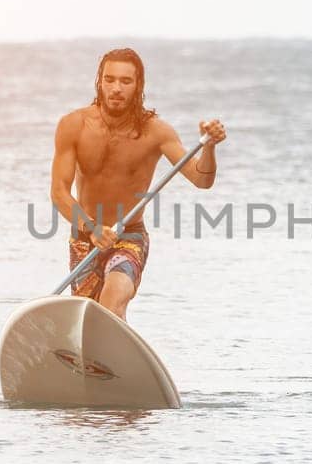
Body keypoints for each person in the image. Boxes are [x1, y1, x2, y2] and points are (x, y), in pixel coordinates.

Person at [50, 47, 227, 320]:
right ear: (99, 82)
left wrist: (209, 147)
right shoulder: (73, 126)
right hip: (85, 237)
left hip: (128, 236)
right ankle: (99, 361)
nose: (116, 88)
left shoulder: (157, 132)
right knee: (87, 316)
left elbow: (201, 180)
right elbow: (59, 192)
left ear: (138, 86)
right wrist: (92, 227)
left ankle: (113, 356)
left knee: (112, 300)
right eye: (109, 80)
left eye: (125, 81)